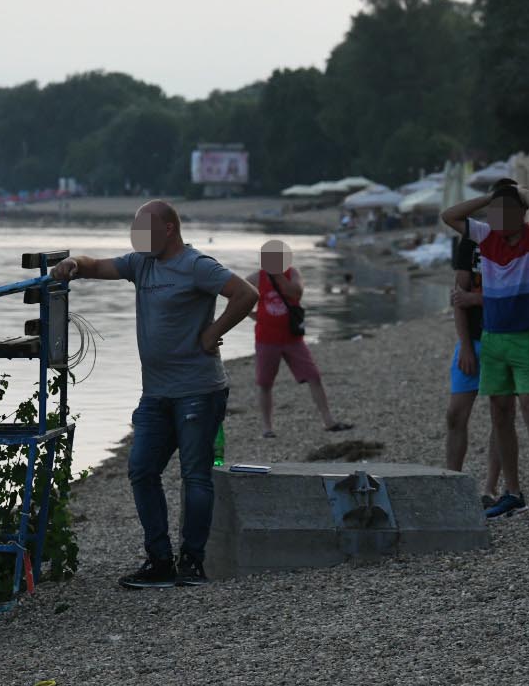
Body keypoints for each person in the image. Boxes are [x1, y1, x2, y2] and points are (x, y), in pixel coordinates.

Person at [49, 201, 257, 588]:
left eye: (144, 228)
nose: (137, 236)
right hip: (156, 394)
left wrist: (212, 332)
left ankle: (192, 563)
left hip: (199, 391)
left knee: (195, 476)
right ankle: (159, 561)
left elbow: (245, 294)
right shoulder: (140, 264)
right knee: (142, 469)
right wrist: (73, 264)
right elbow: (95, 266)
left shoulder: (197, 265)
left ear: (169, 229)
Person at [440, 179, 529, 516]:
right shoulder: (485, 237)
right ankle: (512, 492)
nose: (500, 216)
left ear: (521, 212)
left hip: (527, 337)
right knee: (500, 413)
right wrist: (492, 199)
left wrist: (517, 193)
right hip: (492, 338)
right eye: (496, 211)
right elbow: (449, 215)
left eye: (507, 211)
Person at [243, 240, 352, 438]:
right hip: (266, 339)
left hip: (293, 339)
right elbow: (238, 294)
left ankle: (328, 420)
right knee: (265, 383)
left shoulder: (292, 274)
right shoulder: (257, 278)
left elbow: (296, 292)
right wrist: (252, 315)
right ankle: (267, 428)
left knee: (313, 376)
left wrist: (277, 276)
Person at [444, 230, 503, 507]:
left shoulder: (515, 240)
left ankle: (491, 487)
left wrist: (477, 299)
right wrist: (465, 345)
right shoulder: (470, 241)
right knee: (455, 415)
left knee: (501, 414)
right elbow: (458, 299)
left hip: (503, 338)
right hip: (473, 341)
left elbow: (518, 294)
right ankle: (452, 481)